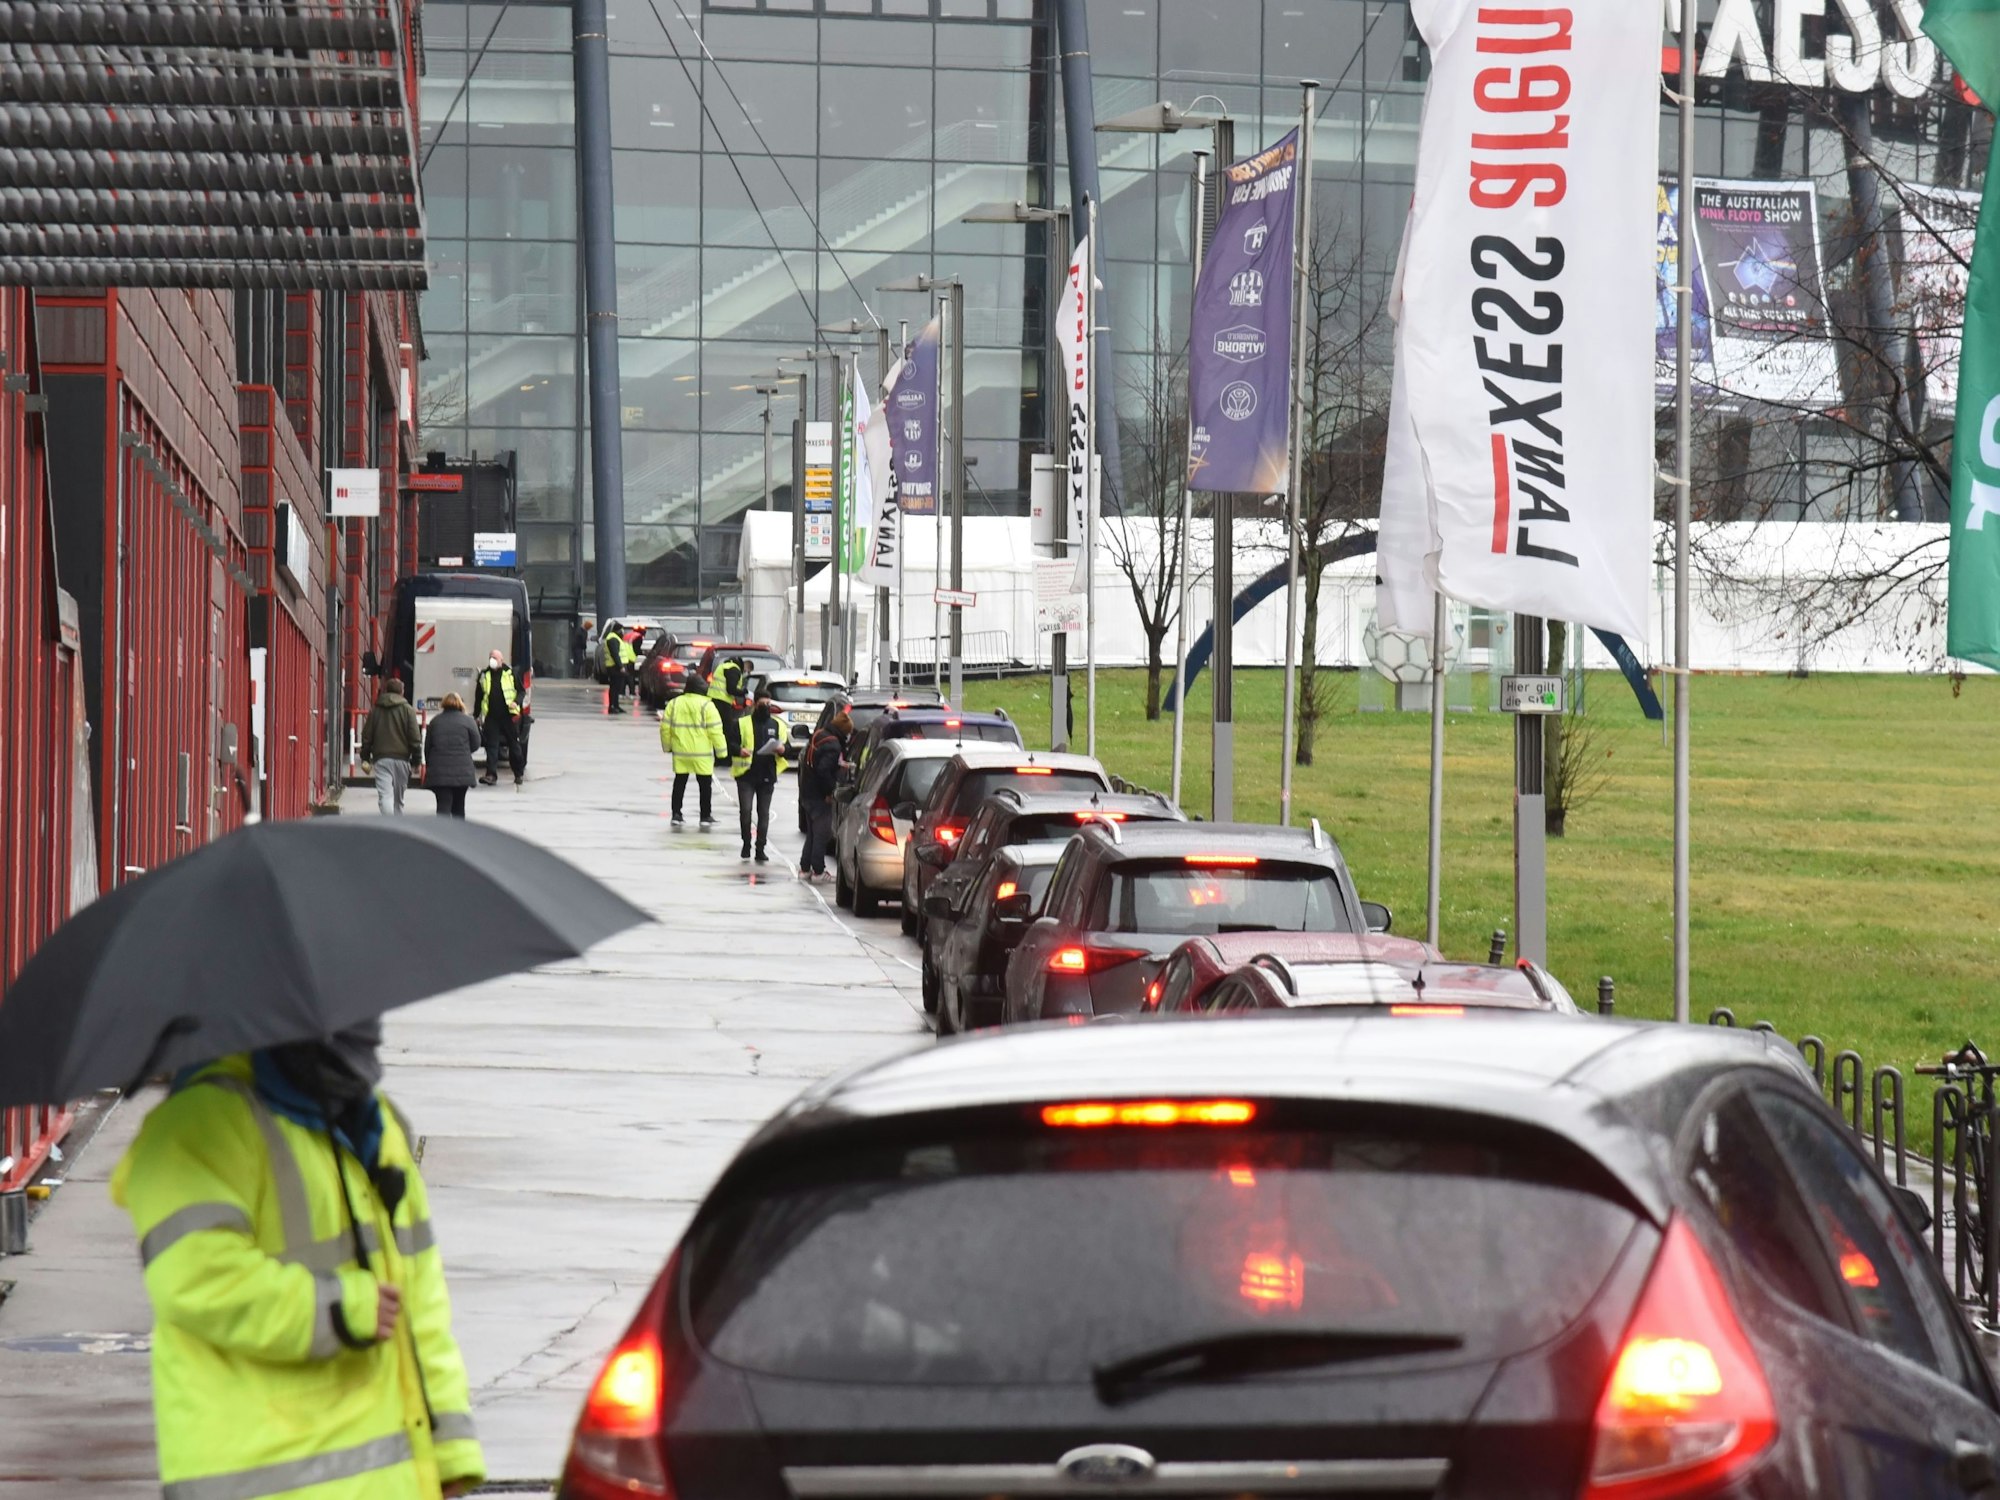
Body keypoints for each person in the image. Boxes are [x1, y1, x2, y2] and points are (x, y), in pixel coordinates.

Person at [111, 1022, 486, 1500]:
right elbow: (195, 1279)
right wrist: (341, 1309)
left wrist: (449, 1450)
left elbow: (421, 1301)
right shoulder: (199, 1122)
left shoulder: (374, 1124)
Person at [660, 672, 727, 828]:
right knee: (705, 786)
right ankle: (705, 816)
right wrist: (722, 752)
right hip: (702, 754)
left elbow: (665, 728)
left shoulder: (674, 704)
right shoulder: (707, 705)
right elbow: (716, 731)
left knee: (679, 783)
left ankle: (676, 814)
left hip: (681, 752)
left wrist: (667, 747)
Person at [799, 710, 851, 881]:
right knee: (822, 834)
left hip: (807, 791)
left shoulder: (819, 735)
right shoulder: (833, 745)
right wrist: (829, 792)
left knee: (812, 834)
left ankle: (805, 869)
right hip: (819, 795)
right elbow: (823, 770)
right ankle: (818, 871)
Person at [360, 675, 422, 816]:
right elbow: (414, 737)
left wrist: (365, 757)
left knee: (385, 795)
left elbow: (367, 736)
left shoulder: (376, 710)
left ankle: (388, 821)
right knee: (398, 799)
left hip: (381, 759)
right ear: (402, 692)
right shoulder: (408, 710)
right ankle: (397, 823)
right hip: (402, 759)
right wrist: (416, 761)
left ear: (386, 691)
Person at [738, 694, 786, 862]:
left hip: (767, 775)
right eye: (763, 703)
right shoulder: (743, 723)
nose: (766, 706)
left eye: (768, 703)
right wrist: (739, 750)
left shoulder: (777, 724)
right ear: (755, 704)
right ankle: (746, 843)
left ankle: (760, 848)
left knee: (763, 813)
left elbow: (784, 746)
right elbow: (731, 743)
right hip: (746, 775)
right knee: (746, 811)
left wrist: (782, 750)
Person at [423, 692, 482, 819]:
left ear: (444, 704)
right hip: (463, 771)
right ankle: (458, 831)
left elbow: (428, 747)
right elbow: (476, 743)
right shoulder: (468, 721)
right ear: (460, 704)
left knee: (442, 807)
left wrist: (430, 765)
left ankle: (441, 831)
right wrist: (464, 751)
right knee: (459, 807)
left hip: (439, 772)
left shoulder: (435, 721)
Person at [474, 651, 525, 787]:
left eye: (495, 658)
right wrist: (476, 715)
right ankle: (491, 775)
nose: (492, 660)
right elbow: (479, 697)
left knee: (514, 746)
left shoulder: (510, 673)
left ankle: (518, 774)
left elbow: (521, 691)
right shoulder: (484, 675)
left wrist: (516, 702)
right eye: (490, 657)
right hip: (492, 717)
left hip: (509, 716)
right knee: (492, 746)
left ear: (501, 660)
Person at [600, 629, 635, 713]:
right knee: (615, 688)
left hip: (615, 666)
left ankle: (616, 705)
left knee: (617, 687)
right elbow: (615, 654)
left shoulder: (615, 638)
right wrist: (620, 666)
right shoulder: (613, 639)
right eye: (622, 631)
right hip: (614, 667)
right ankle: (612, 706)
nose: (623, 633)